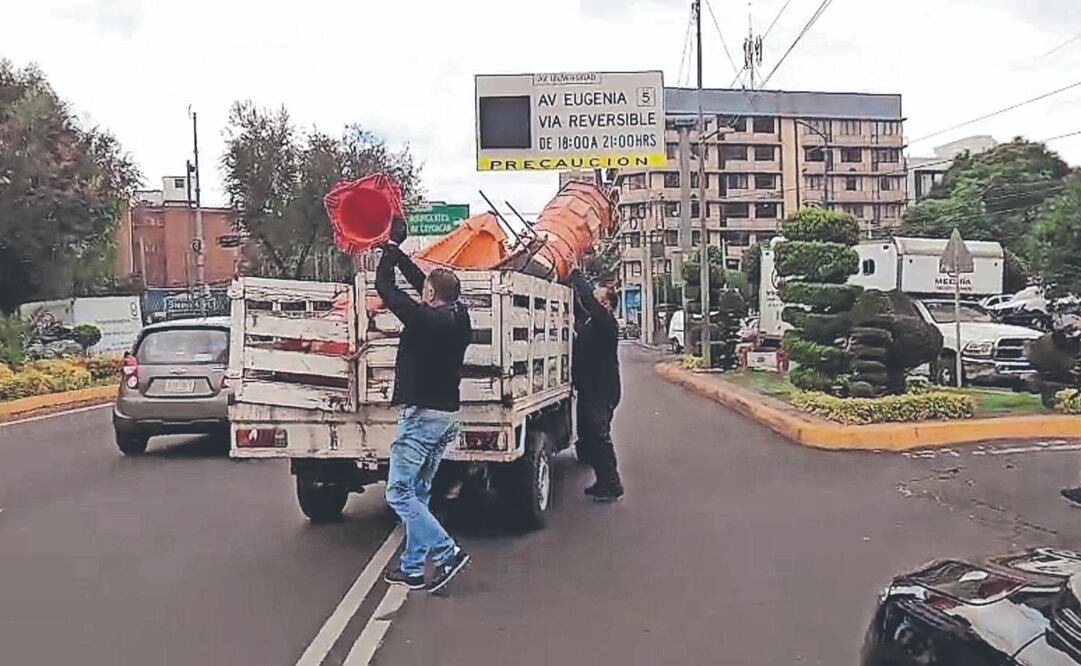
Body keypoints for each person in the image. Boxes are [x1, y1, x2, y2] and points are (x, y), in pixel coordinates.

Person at [377, 219, 473, 593]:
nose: (422, 292)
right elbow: (423, 283)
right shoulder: (458, 316)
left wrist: (389, 247)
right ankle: (412, 567)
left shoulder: (422, 320)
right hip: (446, 416)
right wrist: (398, 253)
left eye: (426, 290)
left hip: (422, 417)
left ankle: (447, 553)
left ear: (432, 295)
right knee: (419, 491)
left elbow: (384, 287)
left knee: (398, 492)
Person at [569, 268, 624, 502]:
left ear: (607, 304)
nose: (594, 298)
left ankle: (612, 483)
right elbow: (582, 305)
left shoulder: (606, 323)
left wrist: (578, 276)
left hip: (602, 390)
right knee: (589, 436)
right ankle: (603, 481)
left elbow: (589, 302)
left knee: (600, 436)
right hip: (590, 388)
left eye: (600, 297)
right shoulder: (592, 321)